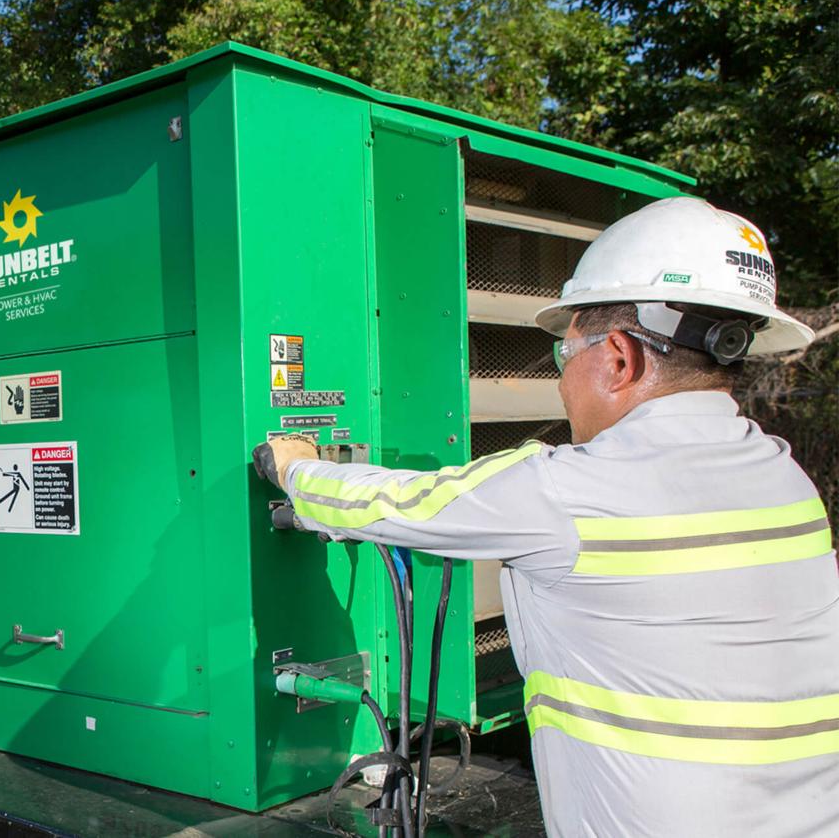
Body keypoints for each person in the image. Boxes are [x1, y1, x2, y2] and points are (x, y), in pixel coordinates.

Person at [252, 197, 838, 837]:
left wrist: (294, 468)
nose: (561, 382)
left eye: (565, 354)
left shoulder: (569, 490)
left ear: (619, 357)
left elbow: (401, 503)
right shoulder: (787, 479)